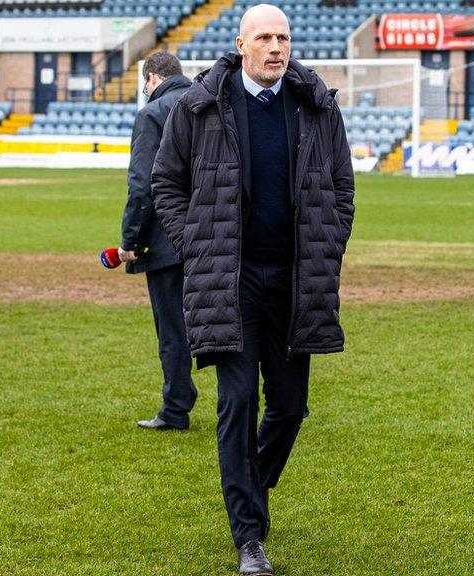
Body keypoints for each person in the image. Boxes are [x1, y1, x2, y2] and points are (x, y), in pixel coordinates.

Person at [151, 4, 354, 574]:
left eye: (282, 37)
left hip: (295, 281)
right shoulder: (199, 105)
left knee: (289, 409)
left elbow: (342, 185)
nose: (275, 46)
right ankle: (249, 537)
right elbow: (166, 181)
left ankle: (250, 497)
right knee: (238, 401)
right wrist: (193, 243)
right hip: (229, 280)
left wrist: (330, 241)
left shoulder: (316, 105)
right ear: (241, 44)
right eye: (263, 37)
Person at [118, 52, 198, 431]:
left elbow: (143, 185)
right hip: (215, 235)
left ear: (151, 78)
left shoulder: (152, 114)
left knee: (172, 328)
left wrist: (130, 239)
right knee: (235, 321)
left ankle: (176, 408)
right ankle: (257, 401)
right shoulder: (207, 104)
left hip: (167, 239)